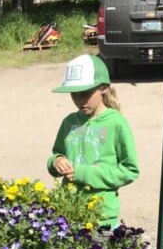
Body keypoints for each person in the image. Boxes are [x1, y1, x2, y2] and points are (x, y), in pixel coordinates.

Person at [47, 54, 139, 228]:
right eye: (74, 94)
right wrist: (56, 161)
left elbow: (130, 170)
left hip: (101, 216)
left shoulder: (116, 123)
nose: (80, 100)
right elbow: (56, 154)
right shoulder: (69, 122)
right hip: (69, 212)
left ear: (103, 87)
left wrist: (84, 174)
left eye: (85, 93)